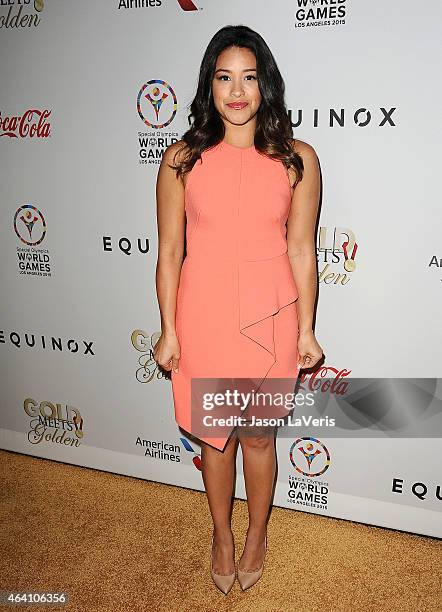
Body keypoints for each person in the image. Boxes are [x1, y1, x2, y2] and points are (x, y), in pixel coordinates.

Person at [154, 24, 323, 594]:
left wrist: (307, 328)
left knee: (257, 437)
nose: (237, 90)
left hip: (272, 314)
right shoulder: (181, 160)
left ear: (265, 85)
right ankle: (222, 534)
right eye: (224, 77)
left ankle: (255, 534)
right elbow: (171, 251)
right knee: (214, 436)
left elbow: (302, 248)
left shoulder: (297, 158)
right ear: (209, 85)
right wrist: (168, 329)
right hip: (204, 313)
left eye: (249, 77)